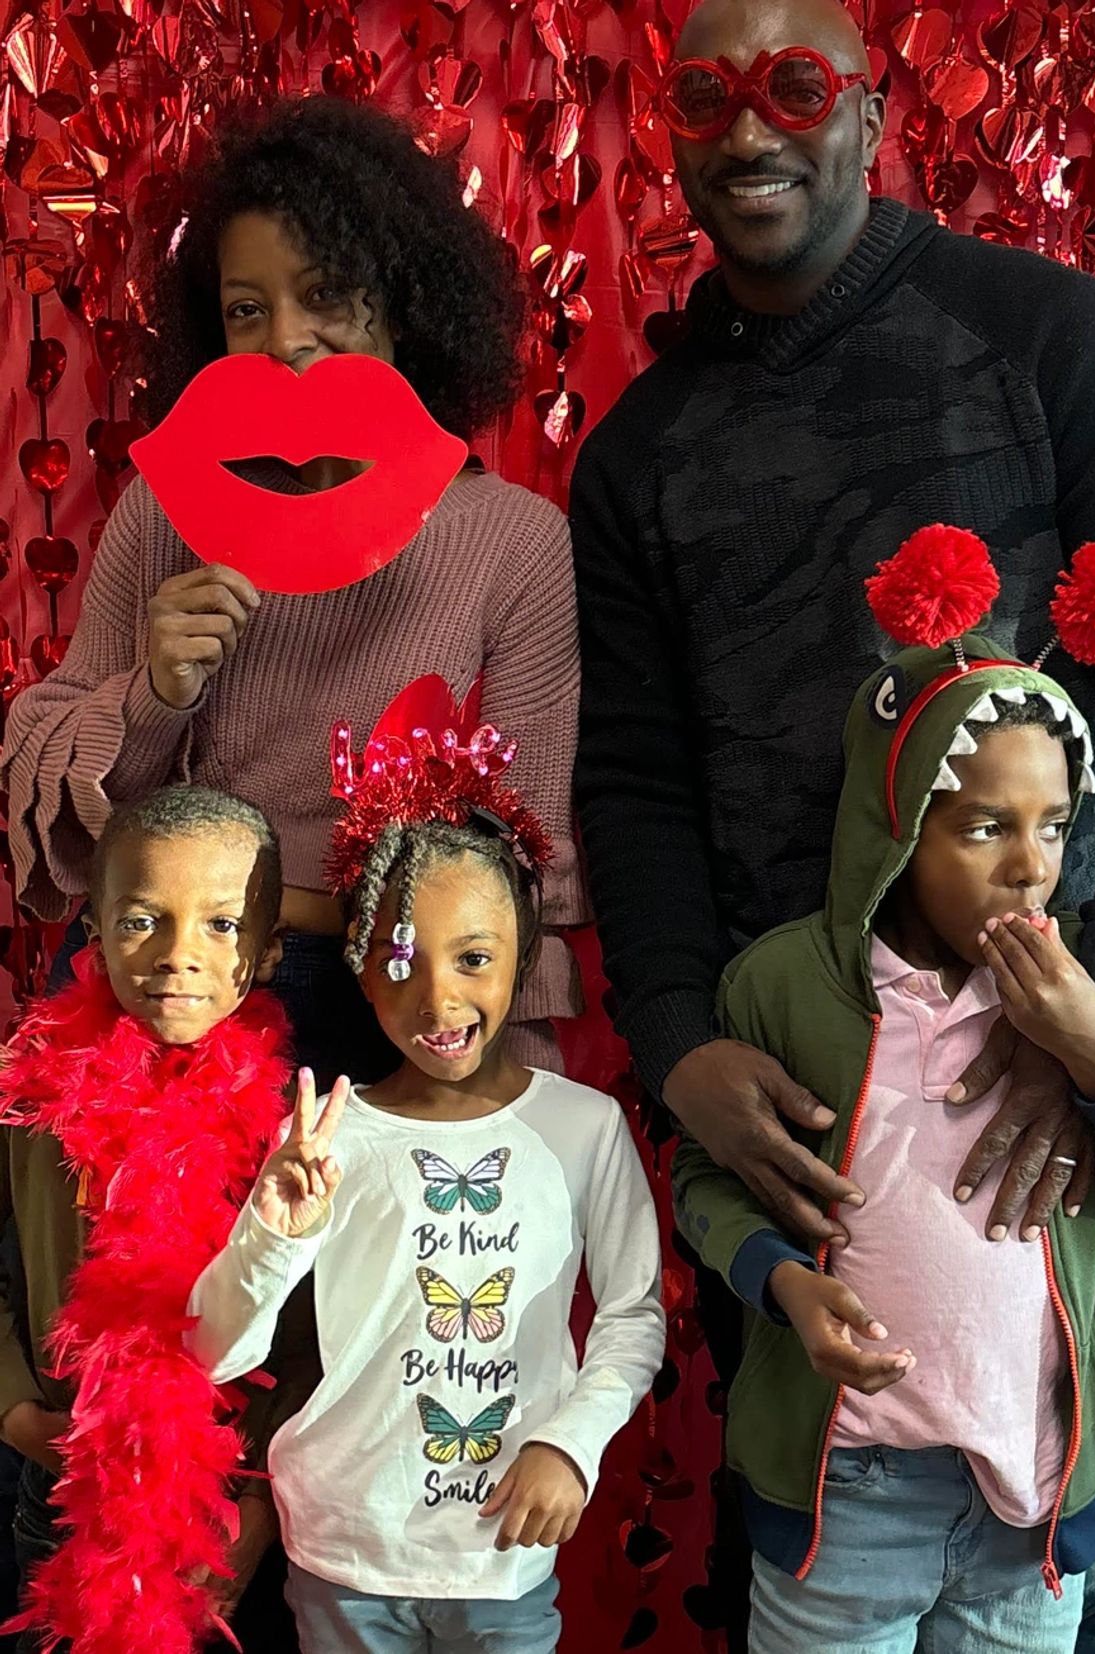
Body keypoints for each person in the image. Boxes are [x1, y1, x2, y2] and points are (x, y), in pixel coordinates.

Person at [570, 0, 1095, 1640]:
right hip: (795, 1124)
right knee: (814, 1557)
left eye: (793, 85)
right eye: (705, 95)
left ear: (871, 113)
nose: (748, 131)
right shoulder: (639, 455)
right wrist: (678, 1045)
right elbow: (634, 782)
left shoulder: (1052, 342)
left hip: (1026, 1100)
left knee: (1019, 1565)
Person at [671, 528, 1095, 1653]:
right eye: (985, 828)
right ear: (895, 826)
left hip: (1029, 1501)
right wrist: (782, 1281)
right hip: (847, 1496)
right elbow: (706, 1172)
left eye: (1053, 826)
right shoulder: (783, 986)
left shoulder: (1093, 990)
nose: (1031, 865)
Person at [1, 93, 587, 1089]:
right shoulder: (165, 512)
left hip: (392, 989)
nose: (286, 339)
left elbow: (525, 859)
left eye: (327, 294)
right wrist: (157, 692)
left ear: (403, 304)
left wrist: (516, 1093)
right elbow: (63, 801)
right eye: (247, 309)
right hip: (187, 980)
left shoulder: (514, 542)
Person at [184, 708, 666, 1654]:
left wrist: (570, 1444)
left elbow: (633, 1313)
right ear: (362, 972)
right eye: (401, 959)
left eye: (474, 959)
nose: (439, 997)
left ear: (524, 954)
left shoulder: (583, 1128)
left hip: (503, 1553)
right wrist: (274, 1233)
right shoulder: (326, 1133)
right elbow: (214, 1352)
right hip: (343, 1553)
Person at [0, 787, 297, 1653]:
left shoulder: (295, 1122)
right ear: (94, 936)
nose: (177, 955)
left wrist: (260, 1501)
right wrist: (12, 1407)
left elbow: (323, 1320)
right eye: (141, 921)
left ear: (268, 952)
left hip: (234, 1495)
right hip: (64, 1482)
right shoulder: (31, 1097)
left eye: (221, 925)